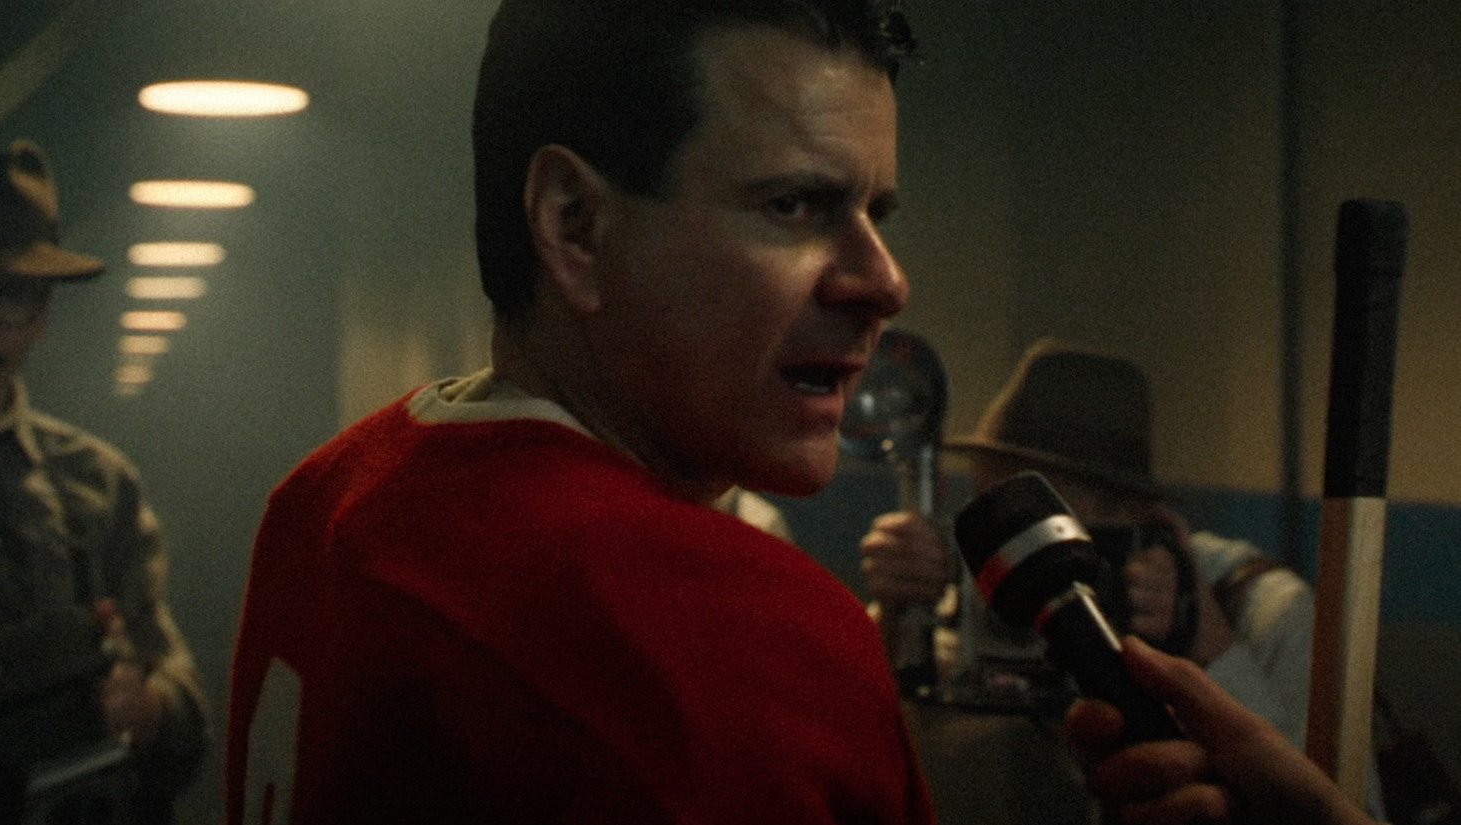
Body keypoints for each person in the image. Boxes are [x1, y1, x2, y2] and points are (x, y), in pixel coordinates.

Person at [223, 1, 1387, 822]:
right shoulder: (728, 644)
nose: (883, 281)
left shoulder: (324, 501)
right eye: (793, 207)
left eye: (876, 212)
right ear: (575, 224)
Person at [861, 336, 1384, 818]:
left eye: (1039, 514)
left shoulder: (1266, 610)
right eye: (993, 505)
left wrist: (1208, 641)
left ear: (1137, 513)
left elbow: (1353, 808)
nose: (1015, 540)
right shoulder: (986, 589)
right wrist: (895, 620)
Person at [0, 139, 207, 822]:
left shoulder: (95, 484)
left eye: (11, 298)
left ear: (41, 314)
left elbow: (181, 701)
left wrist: (141, 708)